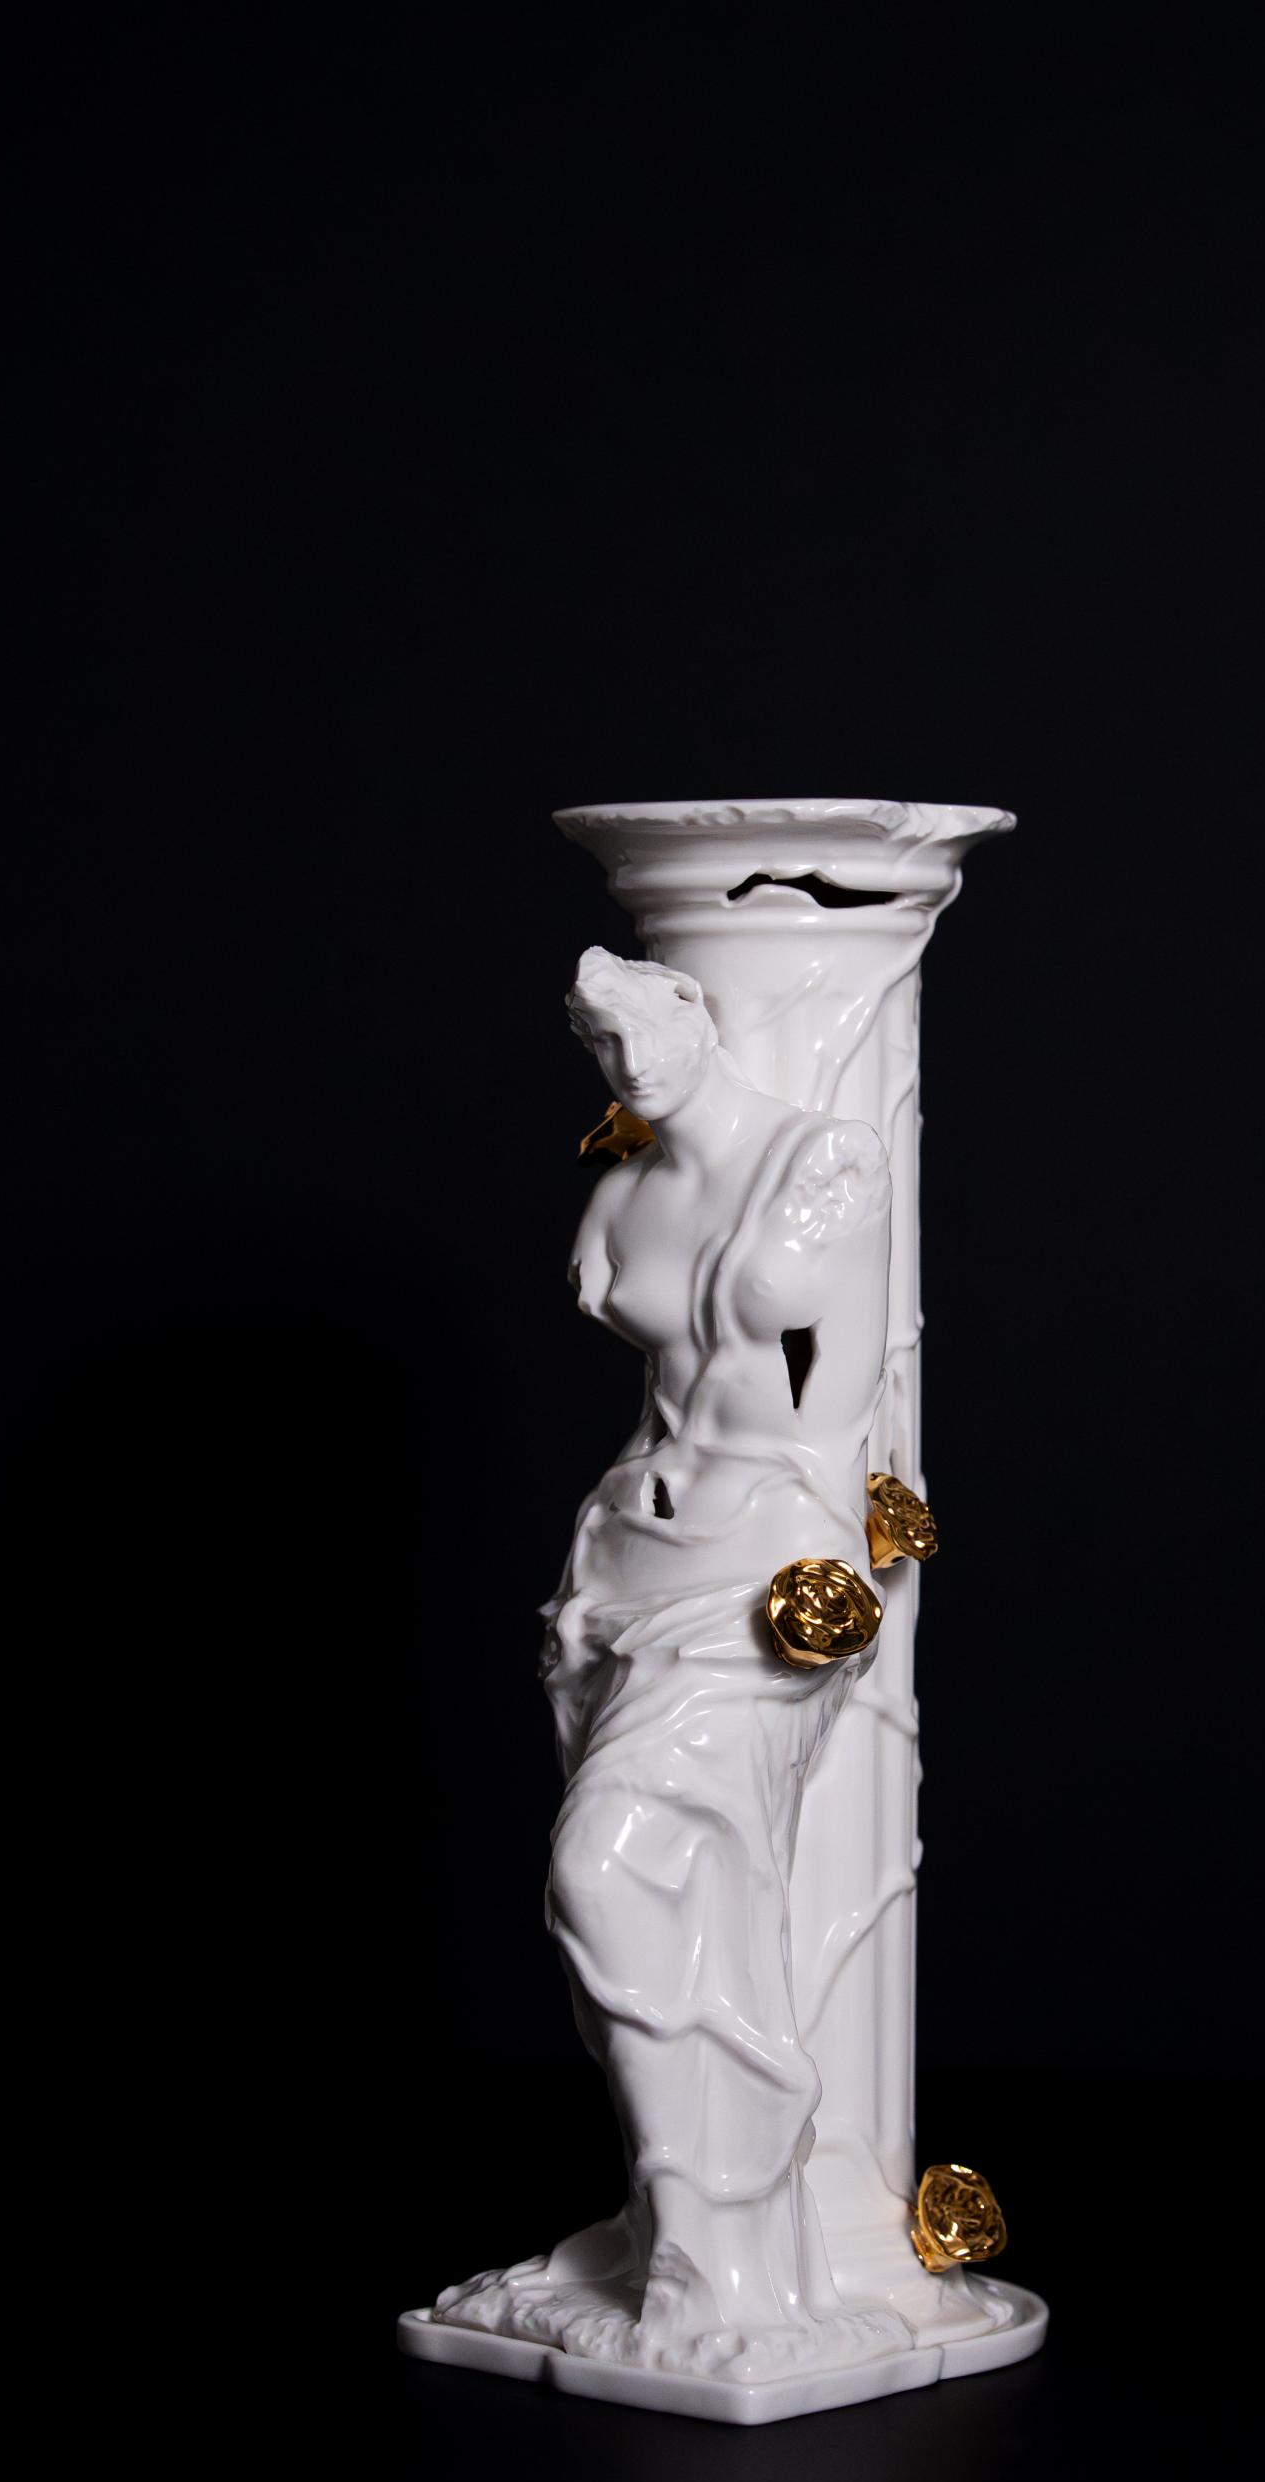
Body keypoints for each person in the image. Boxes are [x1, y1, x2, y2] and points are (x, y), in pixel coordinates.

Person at [435, 948, 912, 2381]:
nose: (630, 1059)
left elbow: (851, 1407)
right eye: (602, 1039)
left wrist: (840, 1579)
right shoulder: (620, 1200)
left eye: (648, 1023)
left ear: (698, 1010)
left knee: (616, 1872)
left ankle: (726, 2248)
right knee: (663, 1900)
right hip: (628, 1558)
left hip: (769, 1569)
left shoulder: (823, 1162)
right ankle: (680, 2238)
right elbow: (660, 1384)